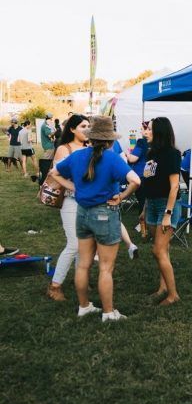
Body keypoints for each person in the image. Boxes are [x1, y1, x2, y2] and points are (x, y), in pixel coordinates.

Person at [51, 116, 140, 321]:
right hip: (104, 214)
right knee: (105, 268)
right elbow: (135, 180)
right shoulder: (111, 158)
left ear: (90, 137)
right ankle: (108, 313)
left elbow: (54, 172)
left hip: (82, 213)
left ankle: (84, 306)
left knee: (83, 264)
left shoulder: (77, 155)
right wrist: (122, 197)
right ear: (109, 141)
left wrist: (74, 187)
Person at [46, 114, 90, 301]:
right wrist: (75, 187)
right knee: (74, 244)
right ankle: (55, 286)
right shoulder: (64, 150)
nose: (87, 129)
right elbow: (55, 175)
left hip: (88, 203)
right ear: (72, 129)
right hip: (71, 202)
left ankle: (81, 279)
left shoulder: (90, 148)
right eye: (82, 126)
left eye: (89, 126)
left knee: (86, 245)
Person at [141, 117, 182, 306]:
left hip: (167, 205)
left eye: (149, 129)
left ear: (159, 132)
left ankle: (173, 295)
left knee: (158, 250)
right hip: (152, 204)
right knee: (162, 250)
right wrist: (144, 209)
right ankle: (162, 288)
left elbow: (174, 187)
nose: (145, 132)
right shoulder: (151, 153)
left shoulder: (172, 154)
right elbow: (149, 183)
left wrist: (168, 214)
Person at [125, 122, 150, 213]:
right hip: (151, 175)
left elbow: (132, 159)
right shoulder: (157, 142)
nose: (141, 131)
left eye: (142, 129)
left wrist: (126, 155)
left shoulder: (141, 142)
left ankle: (142, 225)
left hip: (140, 175)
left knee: (142, 201)